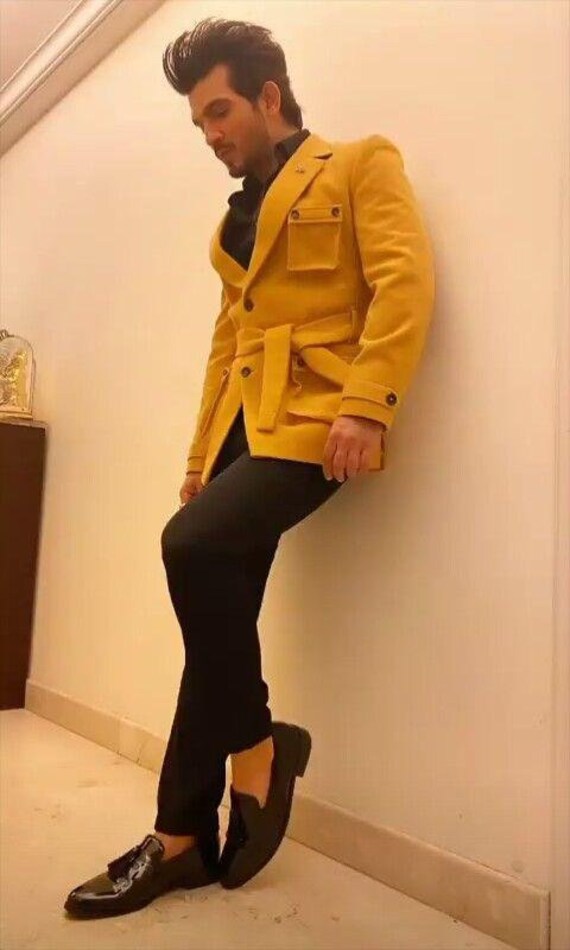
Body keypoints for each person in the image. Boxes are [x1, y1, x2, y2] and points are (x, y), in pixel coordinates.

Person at [64, 16, 435, 919]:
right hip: (244, 426)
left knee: (188, 549)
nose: (210, 133)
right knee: (215, 628)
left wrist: (367, 403)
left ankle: (261, 746)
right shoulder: (230, 224)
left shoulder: (359, 164)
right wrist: (202, 457)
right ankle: (180, 837)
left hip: (316, 424)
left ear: (269, 97)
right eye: (199, 120)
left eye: (220, 111)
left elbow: (404, 279)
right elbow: (226, 346)